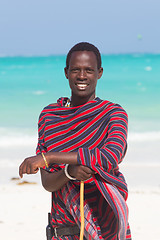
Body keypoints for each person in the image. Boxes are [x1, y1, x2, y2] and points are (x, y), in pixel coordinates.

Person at [19, 42, 131, 240]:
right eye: (75, 70)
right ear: (66, 72)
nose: (81, 76)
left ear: (100, 73)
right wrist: (69, 172)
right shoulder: (50, 116)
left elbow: (110, 156)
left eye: (89, 70)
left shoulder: (113, 114)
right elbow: (48, 183)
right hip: (60, 231)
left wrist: (49, 157)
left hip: (104, 229)